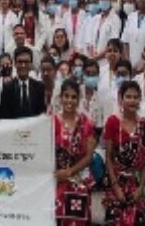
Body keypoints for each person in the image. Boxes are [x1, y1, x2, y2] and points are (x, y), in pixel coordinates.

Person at [103, 80, 145, 225]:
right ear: (121, 99)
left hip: (137, 184)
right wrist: (116, 186)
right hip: (116, 181)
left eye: (136, 97)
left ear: (140, 99)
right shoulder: (112, 122)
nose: (132, 100)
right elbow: (109, 158)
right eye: (128, 97)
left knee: (136, 219)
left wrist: (141, 188)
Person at [54, 79, 97, 226]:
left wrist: (70, 172)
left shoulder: (87, 123)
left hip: (79, 178)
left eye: (73, 97)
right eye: (66, 96)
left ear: (79, 99)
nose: (69, 100)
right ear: (61, 97)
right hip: (57, 179)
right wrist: (59, 174)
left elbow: (89, 156)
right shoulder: (51, 122)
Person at [0, 46, 46, 119]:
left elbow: (41, 114)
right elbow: (4, 115)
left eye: (26, 62)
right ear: (15, 64)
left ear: (31, 64)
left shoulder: (39, 87)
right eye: (20, 62)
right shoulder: (8, 87)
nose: (23, 65)